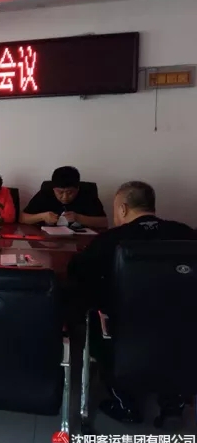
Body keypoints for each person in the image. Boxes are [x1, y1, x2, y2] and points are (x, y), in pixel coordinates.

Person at [68, 181, 197, 424]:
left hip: (125, 331)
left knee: (94, 320)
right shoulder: (186, 234)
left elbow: (79, 275)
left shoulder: (109, 240)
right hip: (183, 329)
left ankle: (126, 404)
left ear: (123, 209)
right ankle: (173, 404)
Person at [20, 166, 108, 227]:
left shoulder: (87, 194)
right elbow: (22, 218)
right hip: (50, 241)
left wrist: (78, 218)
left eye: (70, 192)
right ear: (53, 189)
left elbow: (104, 222)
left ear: (77, 188)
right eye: (60, 192)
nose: (65, 197)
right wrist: (42, 216)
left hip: (81, 241)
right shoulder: (45, 192)